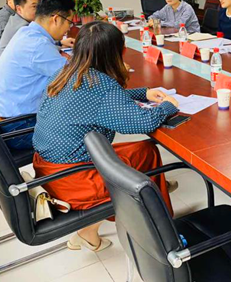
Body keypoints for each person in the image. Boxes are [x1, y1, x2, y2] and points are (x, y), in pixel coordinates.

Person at [32, 21, 179, 252]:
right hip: (75, 179)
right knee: (146, 154)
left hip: (47, 169)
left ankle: (94, 230)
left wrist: (144, 93)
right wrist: (168, 106)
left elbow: (98, 101)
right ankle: (160, 228)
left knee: (144, 150)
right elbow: (144, 122)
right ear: (115, 53)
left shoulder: (66, 73)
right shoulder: (101, 85)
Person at [0, 0, 75, 150]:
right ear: (56, 19)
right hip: (22, 128)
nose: (68, 28)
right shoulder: (37, 45)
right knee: (90, 130)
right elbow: (76, 77)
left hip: (10, 120)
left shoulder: (27, 33)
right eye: (69, 23)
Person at [0, 0, 42, 74]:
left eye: (41, 6)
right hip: (7, 77)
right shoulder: (23, 28)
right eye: (34, 6)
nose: (40, 11)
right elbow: (41, 50)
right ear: (19, 9)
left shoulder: (16, 19)